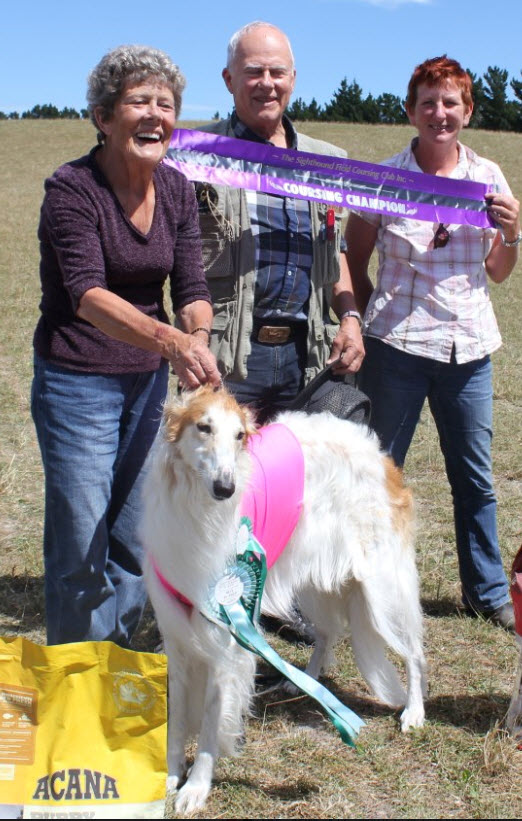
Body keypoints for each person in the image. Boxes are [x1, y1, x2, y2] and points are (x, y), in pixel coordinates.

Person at [31, 45, 220, 647]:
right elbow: (86, 294)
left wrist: (197, 337)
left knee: (137, 536)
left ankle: (118, 668)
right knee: (82, 540)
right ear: (103, 116)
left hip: (148, 382)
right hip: (77, 380)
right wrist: (170, 340)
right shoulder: (71, 189)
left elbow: (191, 286)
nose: (155, 115)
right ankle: (75, 680)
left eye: (166, 104)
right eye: (139, 101)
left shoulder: (179, 188)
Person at [346, 55, 521, 631]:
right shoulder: (385, 177)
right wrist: (369, 316)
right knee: (377, 472)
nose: (439, 112)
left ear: (467, 112)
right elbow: (355, 257)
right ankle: (364, 586)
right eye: (428, 102)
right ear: (410, 110)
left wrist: (514, 234)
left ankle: (488, 590)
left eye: (451, 103)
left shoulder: (489, 178)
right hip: (396, 346)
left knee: (474, 478)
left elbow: (498, 271)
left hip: (468, 350)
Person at [196, 21, 364, 424]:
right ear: (228, 78)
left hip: (307, 356)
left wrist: (350, 319)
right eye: (253, 71)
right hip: (228, 356)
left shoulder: (324, 161)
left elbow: (335, 249)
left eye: (277, 72)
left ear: (293, 79)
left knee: (303, 483)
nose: (266, 83)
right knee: (226, 484)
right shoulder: (198, 158)